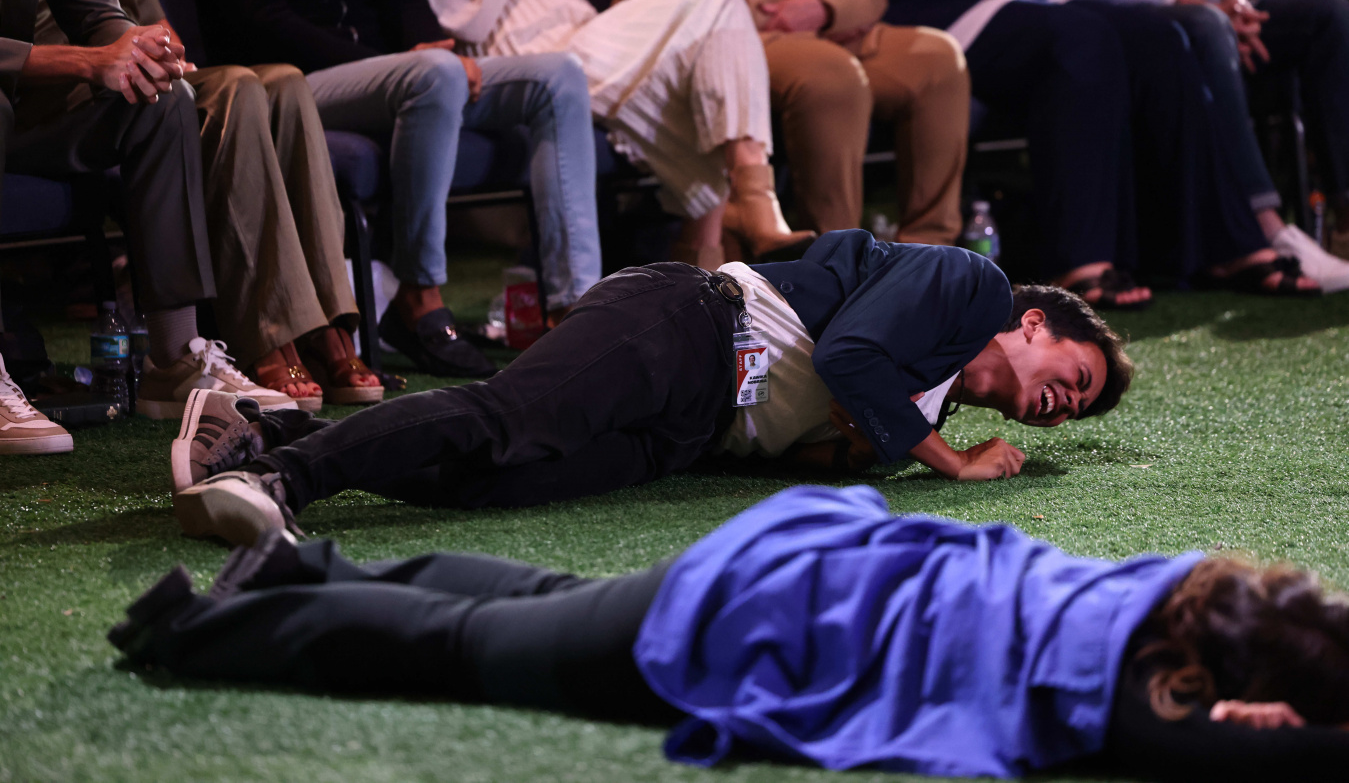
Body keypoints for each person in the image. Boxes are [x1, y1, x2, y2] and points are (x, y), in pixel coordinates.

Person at [112, 485, 1349, 779]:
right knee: (468, 648)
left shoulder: (1182, 585)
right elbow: (1220, 753)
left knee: (544, 599)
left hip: (815, 556)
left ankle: (299, 567)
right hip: (780, 616)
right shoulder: (1145, 698)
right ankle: (189, 631)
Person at [163, 229, 1132, 546]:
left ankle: (267, 429)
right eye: (1076, 378)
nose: (1063, 404)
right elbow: (846, 358)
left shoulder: (932, 395)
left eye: (1075, 411)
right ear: (1035, 325)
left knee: (497, 479)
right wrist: (945, 464)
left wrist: (867, 443)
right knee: (507, 418)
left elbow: (815, 435)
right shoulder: (972, 285)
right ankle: (280, 482)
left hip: (692, 428)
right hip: (687, 324)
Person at [179, 0, 603, 377]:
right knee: (435, 75)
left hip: (388, 74)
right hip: (281, 83)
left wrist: (429, 45)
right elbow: (259, 21)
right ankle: (418, 294)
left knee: (558, 77)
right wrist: (403, 63)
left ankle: (573, 310)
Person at [846, 0, 1323, 301]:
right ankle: (1081, 259)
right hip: (943, 18)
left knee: (1159, 38)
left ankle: (1220, 244)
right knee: (1079, 40)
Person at [34, 0, 382, 410]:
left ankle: (328, 325)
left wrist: (162, 48)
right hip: (71, 84)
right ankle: (269, 337)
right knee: (234, 88)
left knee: (286, 83)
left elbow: (141, 19)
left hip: (133, 62)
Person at [0, 0, 295, 453]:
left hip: (22, 110)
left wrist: (138, 49)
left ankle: (176, 358)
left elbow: (94, 11)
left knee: (161, 97)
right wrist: (90, 60)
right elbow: (87, 52)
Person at [395, 0, 815, 270]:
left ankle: (709, 264)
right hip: (518, 49)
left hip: (577, 27)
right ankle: (749, 204)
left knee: (704, 56)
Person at [614, 0, 969, 245]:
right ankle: (838, 257)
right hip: (729, 45)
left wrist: (823, 7)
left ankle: (930, 255)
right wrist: (796, 17)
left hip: (827, 32)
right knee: (829, 74)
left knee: (937, 59)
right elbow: (692, 4)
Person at [1036, 0, 1349, 285]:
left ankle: (1345, 221)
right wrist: (1181, 1)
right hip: (1130, 8)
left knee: (1328, 14)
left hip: (1206, 4)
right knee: (1207, 27)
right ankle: (1265, 226)